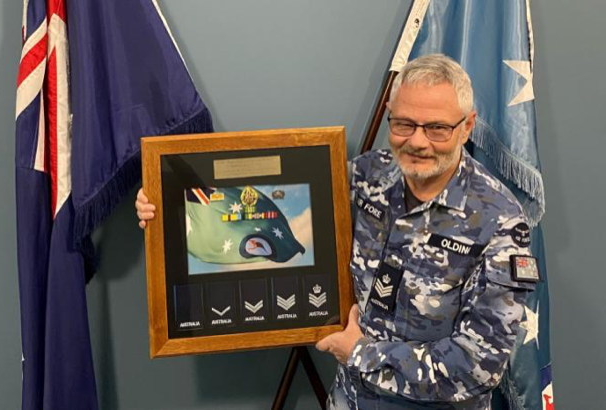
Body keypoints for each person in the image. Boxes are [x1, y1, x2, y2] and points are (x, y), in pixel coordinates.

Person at [135, 54, 538, 409]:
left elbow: (479, 366)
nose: (417, 142)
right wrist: (168, 204)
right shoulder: (365, 176)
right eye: (403, 124)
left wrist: (360, 354)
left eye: (436, 128)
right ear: (390, 114)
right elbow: (260, 203)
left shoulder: (500, 221)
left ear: (466, 127)